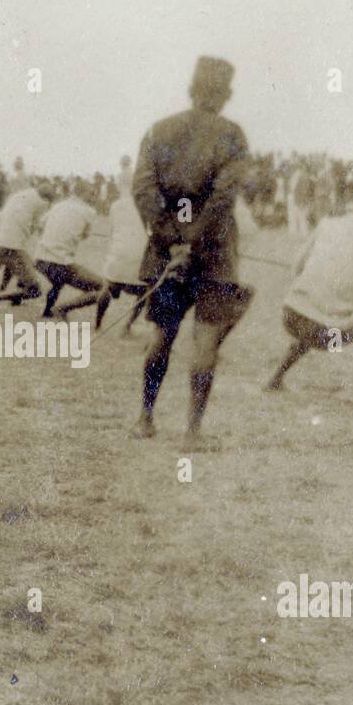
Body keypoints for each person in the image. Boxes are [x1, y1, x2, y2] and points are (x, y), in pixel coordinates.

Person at [130, 55, 254, 450]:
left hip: (168, 255)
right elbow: (222, 199)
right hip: (214, 254)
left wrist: (173, 240)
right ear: (227, 94)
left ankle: (145, 419)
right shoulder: (232, 135)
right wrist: (196, 241)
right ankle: (192, 433)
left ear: (191, 88)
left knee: (161, 337)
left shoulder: (158, 130)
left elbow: (144, 191)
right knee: (205, 343)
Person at [266, 189, 353, 408]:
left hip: (291, 318)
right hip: (329, 338)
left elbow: (296, 268)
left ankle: (276, 377)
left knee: (317, 304)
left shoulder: (327, 224)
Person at [32, 180, 104, 319]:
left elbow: (40, 226)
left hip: (40, 258)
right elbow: (85, 236)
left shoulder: (58, 206)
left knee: (58, 281)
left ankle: (47, 312)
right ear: (83, 193)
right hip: (60, 262)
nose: (93, 197)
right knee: (102, 287)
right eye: (91, 194)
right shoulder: (89, 211)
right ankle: (62, 309)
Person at [94, 188, 150, 334]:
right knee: (144, 293)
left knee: (108, 286)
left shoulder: (116, 205)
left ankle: (97, 324)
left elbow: (112, 231)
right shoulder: (152, 203)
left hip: (119, 252)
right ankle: (127, 326)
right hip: (140, 254)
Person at [0, 182, 53, 307]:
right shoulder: (41, 203)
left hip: (1, 241)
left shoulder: (18, 195)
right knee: (35, 290)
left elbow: (2, 214)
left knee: (14, 264)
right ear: (46, 198)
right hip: (14, 246)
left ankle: (8, 296)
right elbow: (39, 226)